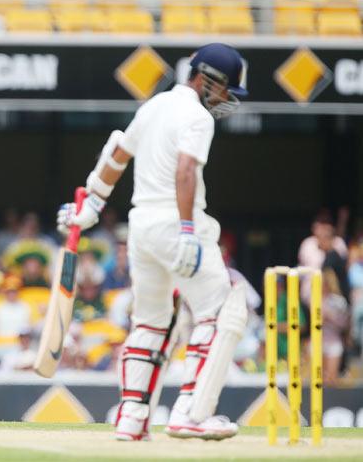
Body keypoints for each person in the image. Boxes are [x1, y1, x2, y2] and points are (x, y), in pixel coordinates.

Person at [57, 43, 248, 441]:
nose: (228, 100)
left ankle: (131, 417)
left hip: (140, 227)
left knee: (150, 321)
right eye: (227, 90)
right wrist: (186, 229)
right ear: (210, 79)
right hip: (175, 221)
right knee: (222, 311)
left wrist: (91, 203)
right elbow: (184, 172)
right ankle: (192, 413)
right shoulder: (197, 117)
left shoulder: (155, 105)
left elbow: (117, 154)